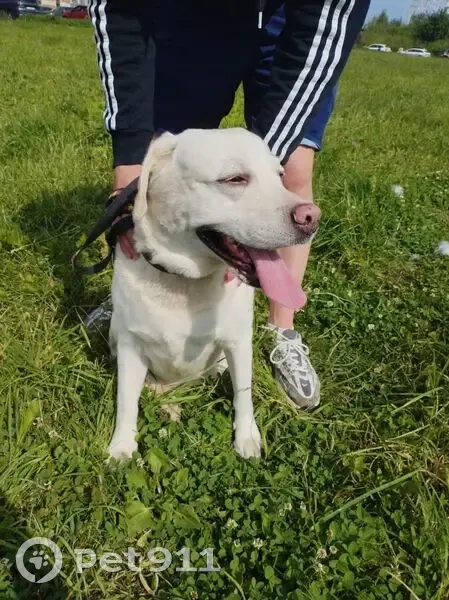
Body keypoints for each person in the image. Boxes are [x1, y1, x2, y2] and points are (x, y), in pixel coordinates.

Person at [87, 0, 370, 409]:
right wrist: (129, 173)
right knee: (168, 154)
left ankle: (281, 328)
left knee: (292, 168)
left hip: (291, 20)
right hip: (196, 15)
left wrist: (255, 173)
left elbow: (326, 21)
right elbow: (118, 13)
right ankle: (135, 303)